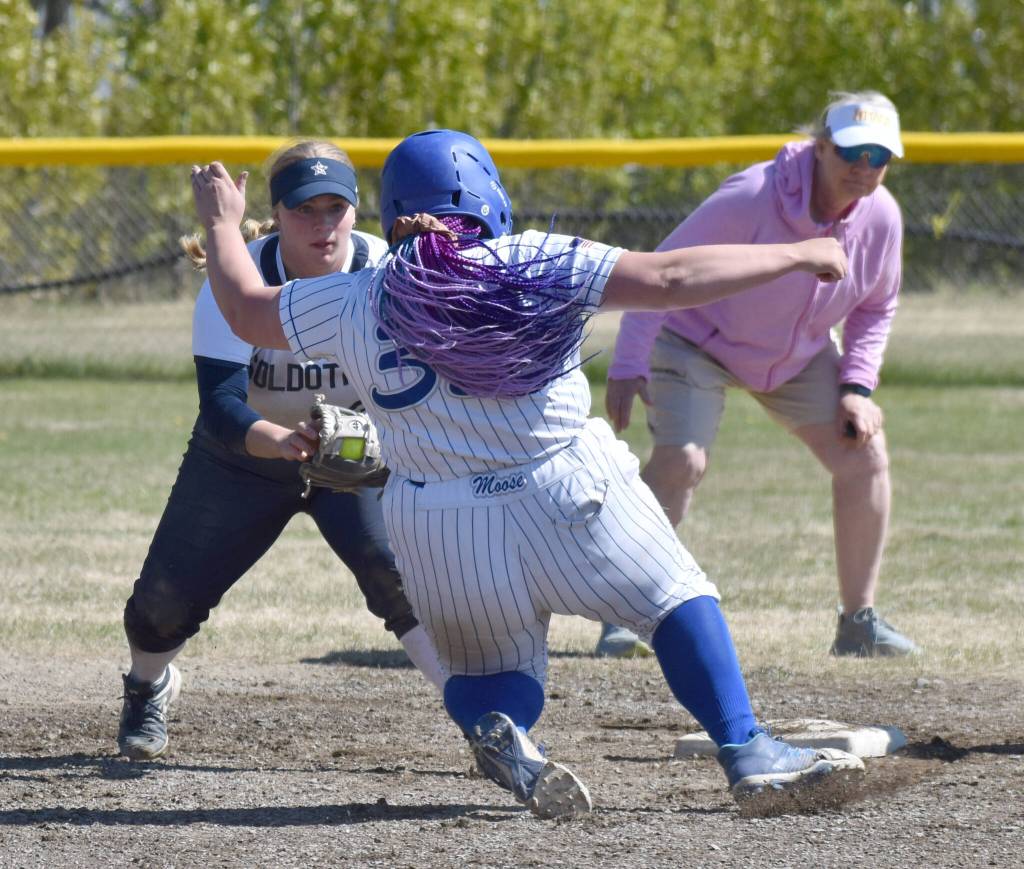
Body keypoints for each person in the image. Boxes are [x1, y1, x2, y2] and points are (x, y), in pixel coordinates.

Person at [190, 129, 865, 820]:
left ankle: (503, 729)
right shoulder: (536, 256)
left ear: (389, 212)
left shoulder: (353, 296)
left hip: (439, 524)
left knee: (493, 674)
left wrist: (219, 222)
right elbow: (670, 279)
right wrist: (796, 252)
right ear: (487, 193)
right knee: (673, 598)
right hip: (567, 493)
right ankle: (746, 746)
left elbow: (243, 305)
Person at [117, 140, 447, 762]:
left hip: (361, 456)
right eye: (304, 210)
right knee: (160, 605)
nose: (322, 225)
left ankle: (477, 717)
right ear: (277, 212)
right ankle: (146, 685)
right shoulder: (239, 275)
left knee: (405, 582)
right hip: (245, 455)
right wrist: (289, 443)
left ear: (356, 210)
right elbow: (220, 407)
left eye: (336, 207)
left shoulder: (384, 270)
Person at [605, 91, 918, 658]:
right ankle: (626, 614)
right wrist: (628, 364)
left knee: (864, 455)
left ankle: (858, 623)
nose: (864, 168)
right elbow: (662, 273)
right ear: (820, 147)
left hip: (795, 354)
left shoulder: (883, 216)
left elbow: (876, 306)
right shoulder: (753, 196)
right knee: (682, 462)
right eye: (851, 151)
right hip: (694, 340)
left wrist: (856, 387)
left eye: (880, 156)